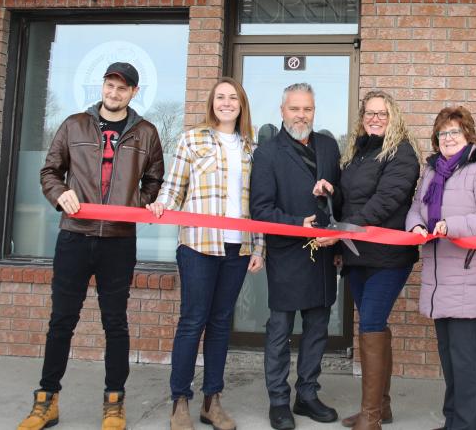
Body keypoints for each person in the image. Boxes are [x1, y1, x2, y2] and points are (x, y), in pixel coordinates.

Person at [19, 62, 165, 430]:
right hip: (74, 236)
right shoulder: (73, 125)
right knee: (61, 322)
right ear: (103, 87)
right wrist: (60, 194)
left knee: (115, 323)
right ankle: (46, 401)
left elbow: (155, 179)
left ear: (134, 92)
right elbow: (49, 171)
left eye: (122, 88)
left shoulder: (146, 132)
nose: (113, 93)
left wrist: (135, 204)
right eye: (109, 86)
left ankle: (114, 403)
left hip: (118, 241)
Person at [146, 78, 265, 430]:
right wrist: (160, 206)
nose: (226, 103)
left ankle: (212, 401)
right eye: (220, 98)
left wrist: (259, 245)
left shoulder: (251, 148)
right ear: (212, 103)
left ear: (241, 105)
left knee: (219, 323)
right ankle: (180, 401)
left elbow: (256, 203)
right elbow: (174, 186)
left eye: (233, 98)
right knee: (192, 321)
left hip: (238, 247)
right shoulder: (192, 139)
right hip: (198, 244)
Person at [315, 90, 421, 430]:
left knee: (371, 323)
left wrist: (345, 230)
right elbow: (350, 200)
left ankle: (371, 417)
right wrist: (332, 191)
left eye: (382, 113)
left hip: (388, 256)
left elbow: (385, 201)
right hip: (357, 256)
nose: (375, 118)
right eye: (369, 113)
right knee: (374, 325)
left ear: (394, 117)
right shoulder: (358, 153)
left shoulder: (402, 153)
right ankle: (382, 407)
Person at [405, 106, 476, 430]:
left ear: (468, 136)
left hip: (468, 277)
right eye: (443, 132)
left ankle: (468, 425)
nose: (448, 138)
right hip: (438, 279)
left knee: (464, 361)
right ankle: (454, 423)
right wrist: (416, 228)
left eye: (454, 132)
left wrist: (453, 225)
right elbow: (415, 209)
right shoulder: (433, 171)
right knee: (450, 360)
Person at [250, 83, 342, 430]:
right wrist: (296, 224)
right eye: (295, 109)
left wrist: (333, 194)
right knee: (280, 330)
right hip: (288, 253)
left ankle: (306, 395)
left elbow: (341, 195)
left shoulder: (330, 146)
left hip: (323, 255)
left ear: (314, 111)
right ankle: (278, 401)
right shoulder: (268, 153)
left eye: (307, 109)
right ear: (282, 110)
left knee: (317, 328)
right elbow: (260, 209)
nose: (301, 115)